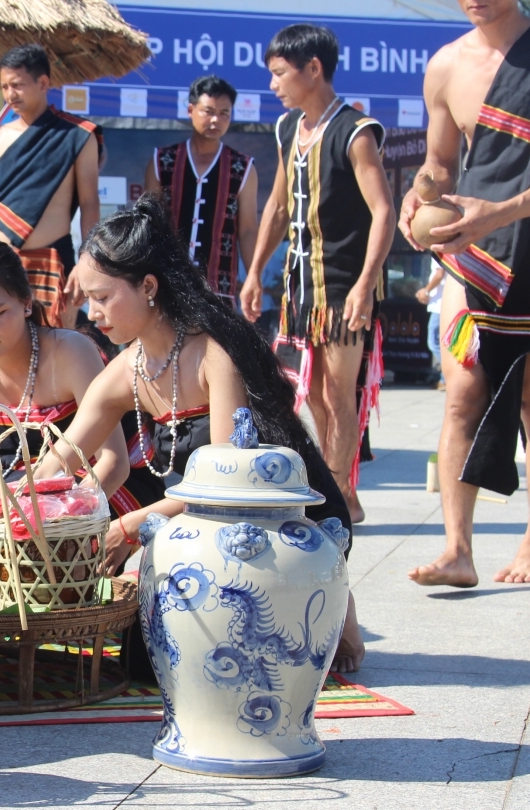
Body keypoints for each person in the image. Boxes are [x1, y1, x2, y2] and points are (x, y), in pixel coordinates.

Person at [44, 195, 365, 673]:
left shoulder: (213, 351)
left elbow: (226, 483)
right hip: (200, 522)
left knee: (262, 655)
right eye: (88, 298)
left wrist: (130, 525)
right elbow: (60, 461)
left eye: (103, 297)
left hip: (277, 515)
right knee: (146, 660)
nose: (91, 313)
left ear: (148, 286)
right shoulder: (126, 370)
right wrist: (8, 503)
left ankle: (335, 597)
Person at [400, 3, 530, 587]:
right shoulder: (446, 65)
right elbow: (441, 164)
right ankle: (458, 549)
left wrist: (500, 211)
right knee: (460, 398)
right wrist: (419, 196)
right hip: (476, 246)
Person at [0, 239, 165, 554]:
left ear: (26, 303)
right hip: (22, 487)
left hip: (97, 486)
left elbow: (114, 462)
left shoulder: (70, 351)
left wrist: (65, 520)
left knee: (55, 546)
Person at [241, 24, 396, 525]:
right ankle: (337, 486)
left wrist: (367, 286)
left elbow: (384, 212)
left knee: (336, 392)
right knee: (311, 395)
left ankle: (341, 494)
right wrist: (255, 272)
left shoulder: (356, 131)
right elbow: (278, 206)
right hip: (300, 287)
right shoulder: (290, 128)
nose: (274, 85)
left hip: (345, 285)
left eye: (280, 74)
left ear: (314, 69)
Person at [0, 44, 100, 329]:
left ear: (43, 83)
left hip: (54, 260)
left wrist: (87, 260)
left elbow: (90, 203)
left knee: (56, 353)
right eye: (4, 86)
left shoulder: (78, 135)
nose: (9, 95)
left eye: (17, 85)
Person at [144, 75, 259, 307]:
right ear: (190, 110)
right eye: (208, 111)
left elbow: (247, 230)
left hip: (219, 290)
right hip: (168, 285)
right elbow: (149, 224)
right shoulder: (162, 160)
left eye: (224, 113)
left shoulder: (243, 167)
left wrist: (254, 275)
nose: (216, 120)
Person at [415, 265, 445, 389]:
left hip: (440, 305)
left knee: (433, 342)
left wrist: (426, 290)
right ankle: (445, 379)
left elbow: (439, 274)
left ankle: (449, 375)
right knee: (443, 343)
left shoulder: (438, 247)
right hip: (442, 304)